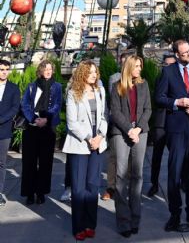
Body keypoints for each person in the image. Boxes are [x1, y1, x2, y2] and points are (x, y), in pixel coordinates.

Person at [155, 39, 189, 232]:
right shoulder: (167, 72)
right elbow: (159, 98)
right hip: (176, 129)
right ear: (177, 55)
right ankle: (175, 215)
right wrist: (178, 102)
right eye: (184, 52)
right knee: (174, 174)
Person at [63, 60, 108, 240]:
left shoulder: (100, 91)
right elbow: (71, 123)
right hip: (80, 145)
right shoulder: (73, 93)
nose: (93, 75)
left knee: (93, 186)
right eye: (90, 72)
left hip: (98, 144)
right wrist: (90, 138)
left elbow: (105, 115)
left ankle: (90, 224)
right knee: (79, 189)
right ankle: (79, 227)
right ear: (82, 73)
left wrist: (100, 136)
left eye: (95, 72)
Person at [110, 55, 152, 237]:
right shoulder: (117, 86)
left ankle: (135, 219)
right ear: (128, 67)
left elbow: (148, 109)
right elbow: (115, 112)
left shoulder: (144, 85)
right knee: (121, 175)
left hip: (141, 133)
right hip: (122, 133)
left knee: (138, 175)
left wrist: (139, 129)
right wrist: (129, 129)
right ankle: (123, 222)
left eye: (140, 66)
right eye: (136, 66)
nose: (139, 69)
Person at [20, 59, 62, 205]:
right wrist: (33, 118)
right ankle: (29, 193)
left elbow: (57, 104)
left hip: (48, 127)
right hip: (32, 127)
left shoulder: (57, 86)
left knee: (45, 163)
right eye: (45, 69)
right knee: (29, 162)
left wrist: (46, 118)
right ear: (40, 70)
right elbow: (24, 104)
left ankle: (41, 192)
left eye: (50, 69)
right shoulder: (32, 86)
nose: (48, 71)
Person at [101, 51, 132, 202]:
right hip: (117, 122)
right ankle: (111, 187)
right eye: (123, 62)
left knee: (132, 157)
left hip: (133, 124)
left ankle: (130, 186)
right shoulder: (115, 79)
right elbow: (114, 104)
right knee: (114, 157)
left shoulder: (138, 80)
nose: (124, 65)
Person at [147, 52, 176, 197]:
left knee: (177, 155)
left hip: (175, 122)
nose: (168, 67)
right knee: (156, 156)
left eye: (171, 65)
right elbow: (158, 99)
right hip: (160, 123)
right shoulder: (160, 79)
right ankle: (154, 183)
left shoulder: (180, 80)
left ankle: (180, 182)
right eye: (166, 65)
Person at [0, 58, 20, 206]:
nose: (4, 72)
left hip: (4, 130)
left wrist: (1, 119)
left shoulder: (14, 88)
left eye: (7, 70)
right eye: (2, 69)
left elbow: (15, 108)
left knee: (1, 163)